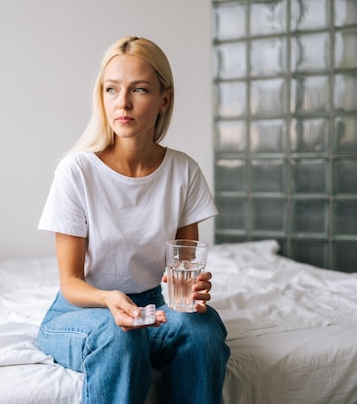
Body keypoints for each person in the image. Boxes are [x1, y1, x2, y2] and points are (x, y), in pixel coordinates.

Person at [37, 36, 230, 404]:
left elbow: (183, 266)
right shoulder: (76, 171)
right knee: (118, 334)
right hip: (85, 309)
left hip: (154, 306)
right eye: (112, 89)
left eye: (139, 89)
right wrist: (110, 300)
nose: (122, 103)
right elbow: (71, 283)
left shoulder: (183, 171)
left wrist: (192, 290)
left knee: (202, 330)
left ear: (164, 100)